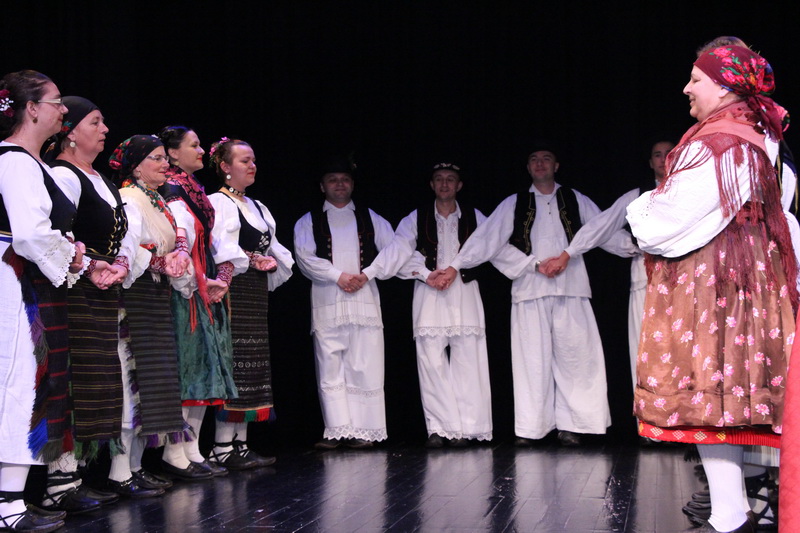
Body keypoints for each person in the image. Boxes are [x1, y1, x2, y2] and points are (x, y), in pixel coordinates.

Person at [626, 44, 795, 533]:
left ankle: (732, 512)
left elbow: (664, 221)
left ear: (722, 86)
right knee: (722, 397)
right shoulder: (759, 133)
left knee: (711, 387)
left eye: (695, 79)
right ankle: (730, 512)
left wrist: (641, 208)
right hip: (749, 275)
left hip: (718, 278)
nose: (687, 88)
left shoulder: (723, 141)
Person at [435, 142, 614, 447]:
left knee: (577, 358)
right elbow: (488, 241)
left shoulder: (574, 198)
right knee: (532, 361)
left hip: (572, 287)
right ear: (528, 167)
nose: (540, 164)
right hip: (530, 289)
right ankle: (533, 428)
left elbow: (603, 229)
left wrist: (637, 249)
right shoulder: (514, 203)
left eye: (546, 159)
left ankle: (575, 425)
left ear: (556, 166)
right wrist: (528, 264)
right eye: (534, 159)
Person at [0, 70, 84, 533]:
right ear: (31, 109)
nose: (63, 109)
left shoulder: (32, 163)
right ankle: (8, 505)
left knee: (28, 383)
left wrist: (68, 250)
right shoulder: (15, 161)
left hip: (27, 279)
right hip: (16, 282)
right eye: (55, 101)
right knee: (19, 381)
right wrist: (69, 254)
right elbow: (30, 234)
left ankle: (11, 499)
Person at [40, 96, 131, 512]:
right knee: (72, 379)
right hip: (72, 289)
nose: (105, 129)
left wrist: (121, 263)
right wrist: (93, 264)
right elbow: (59, 233)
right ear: (71, 132)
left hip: (101, 289)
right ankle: (59, 482)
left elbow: (121, 236)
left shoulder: (101, 180)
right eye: (95, 122)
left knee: (96, 381)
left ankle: (74, 476)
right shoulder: (64, 174)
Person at [363, 161, 494, 447]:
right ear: (432, 185)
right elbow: (399, 251)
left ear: (459, 185)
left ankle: (468, 429)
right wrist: (425, 274)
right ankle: (441, 428)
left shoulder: (475, 216)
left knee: (468, 359)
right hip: (429, 293)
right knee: (431, 361)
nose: (445, 184)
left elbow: (489, 246)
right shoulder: (416, 218)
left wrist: (456, 268)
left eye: (450, 179)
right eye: (439, 179)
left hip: (464, 291)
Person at [541, 139, 675, 390]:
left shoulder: (691, 192)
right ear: (650, 162)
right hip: (647, 279)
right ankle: (649, 410)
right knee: (647, 348)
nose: (663, 158)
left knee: (685, 346)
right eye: (657, 154)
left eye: (669, 153)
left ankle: (691, 411)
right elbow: (601, 227)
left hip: (688, 280)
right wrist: (569, 253)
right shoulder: (637, 196)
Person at [106, 134, 194, 491]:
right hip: (134, 297)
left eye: (164, 158)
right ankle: (119, 471)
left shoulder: (158, 201)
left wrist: (178, 257)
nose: (164, 164)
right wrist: (161, 261)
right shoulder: (129, 198)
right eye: (156, 158)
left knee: (154, 382)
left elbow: (174, 240)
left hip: (155, 296)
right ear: (137, 165)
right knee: (132, 380)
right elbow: (126, 249)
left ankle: (136, 466)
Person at [157, 126, 244, 478]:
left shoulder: (194, 189)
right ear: (173, 153)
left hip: (204, 283)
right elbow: (177, 242)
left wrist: (222, 278)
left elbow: (213, 240)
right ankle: (174, 450)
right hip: (185, 286)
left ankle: (191, 447)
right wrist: (199, 279)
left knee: (206, 366)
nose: (200, 151)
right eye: (193, 145)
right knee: (188, 367)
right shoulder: (171, 189)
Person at [294, 155, 394, 449]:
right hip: (328, 301)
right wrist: (338, 276)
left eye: (345, 180)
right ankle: (337, 430)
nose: (340, 184)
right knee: (330, 367)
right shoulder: (309, 220)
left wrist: (367, 274)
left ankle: (365, 431)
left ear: (352, 184)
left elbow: (394, 250)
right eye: (333, 180)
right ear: (322, 186)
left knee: (366, 364)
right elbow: (304, 258)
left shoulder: (370, 217)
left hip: (365, 302)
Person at [207, 137, 294, 469]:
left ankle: (240, 445)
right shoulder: (218, 202)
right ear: (225, 167)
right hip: (232, 291)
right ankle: (221, 447)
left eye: (253, 160)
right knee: (235, 363)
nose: (252, 165)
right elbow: (219, 247)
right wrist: (252, 258)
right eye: (244, 160)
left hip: (254, 293)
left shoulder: (257, 206)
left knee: (252, 365)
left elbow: (273, 247)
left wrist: (268, 259)